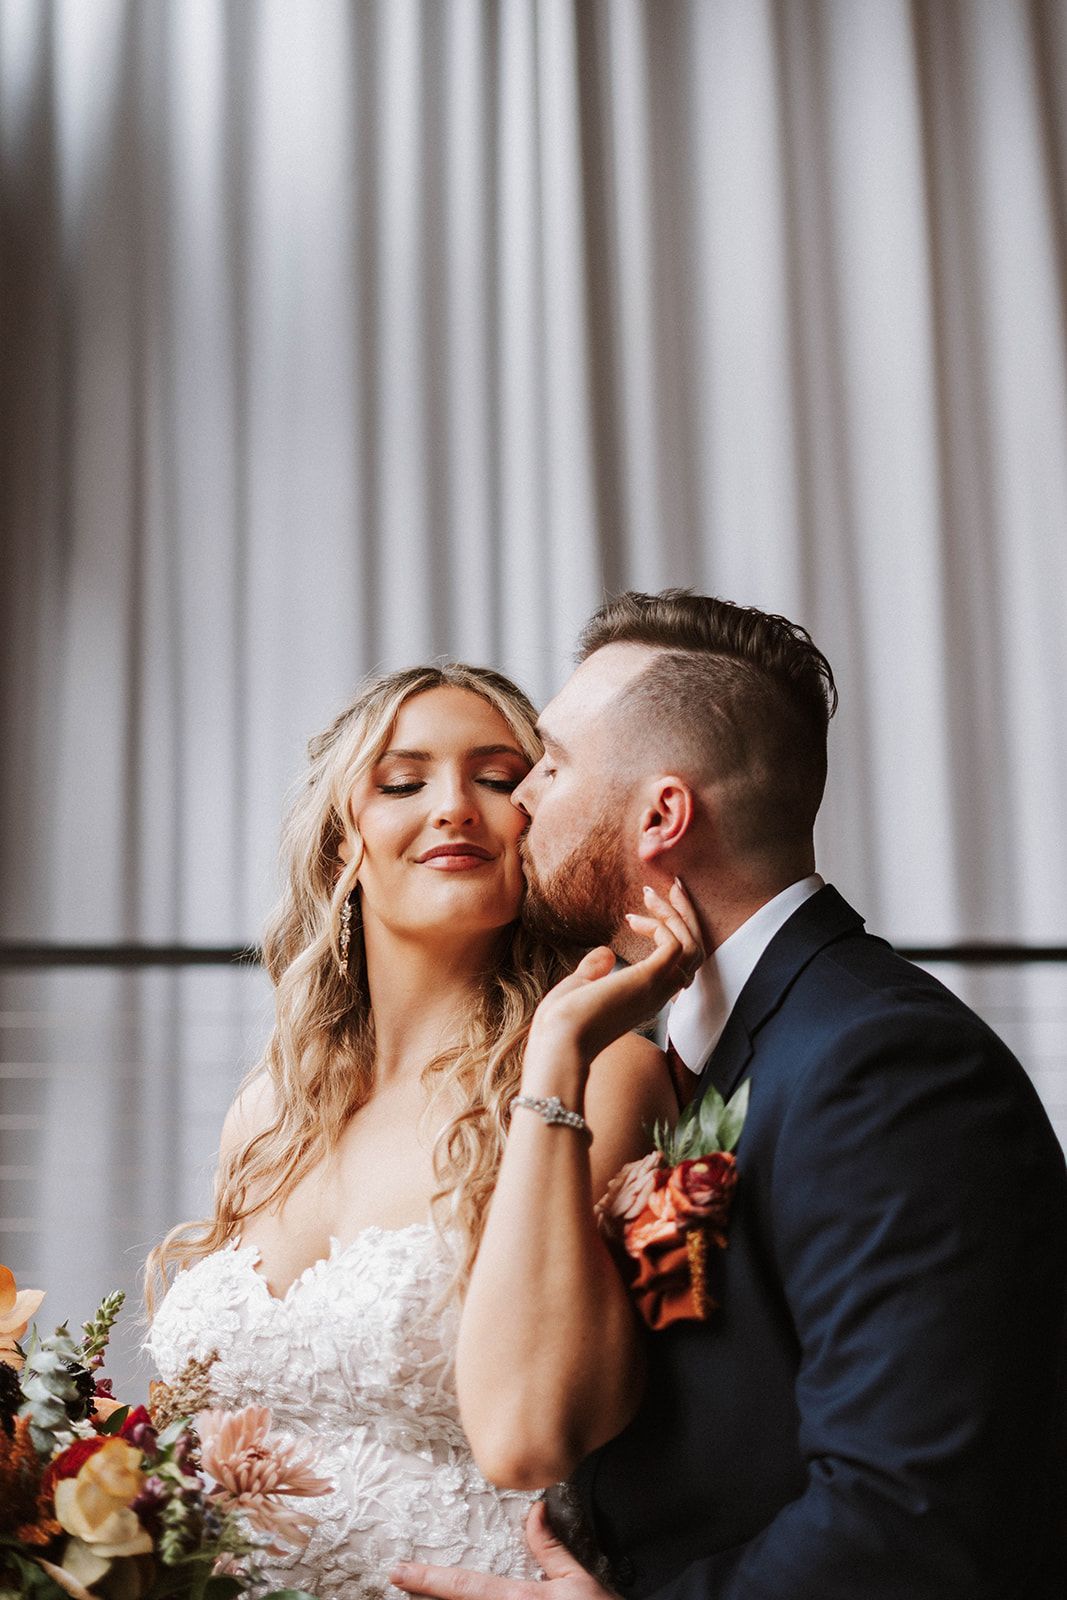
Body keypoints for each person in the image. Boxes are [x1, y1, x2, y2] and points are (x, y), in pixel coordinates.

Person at [390, 591, 1067, 1600]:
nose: (519, 797)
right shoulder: (698, 1052)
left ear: (663, 814)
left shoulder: (884, 1068)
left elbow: (908, 1514)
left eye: (553, 764)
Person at [144, 661, 683, 1598]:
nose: (453, 808)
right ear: (338, 845)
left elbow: (553, 1426)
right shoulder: (267, 1111)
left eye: (500, 778)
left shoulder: (605, 1074)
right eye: (402, 782)